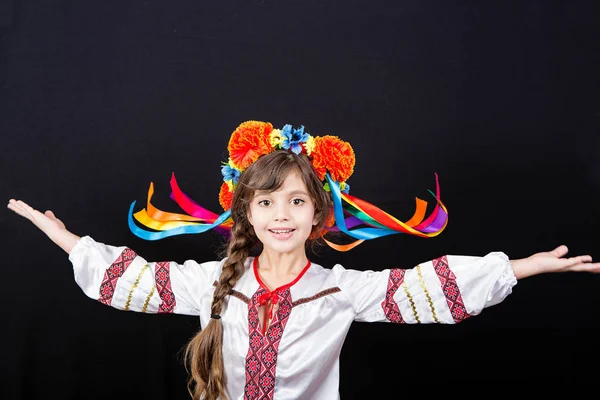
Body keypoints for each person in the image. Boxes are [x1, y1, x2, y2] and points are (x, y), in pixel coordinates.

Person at [7, 120, 600, 400]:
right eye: (266, 201)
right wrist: (69, 241)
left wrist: (519, 267)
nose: (281, 214)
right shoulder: (213, 281)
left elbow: (424, 288)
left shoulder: (341, 289)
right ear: (246, 212)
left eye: (296, 200)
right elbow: (135, 279)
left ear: (319, 216)